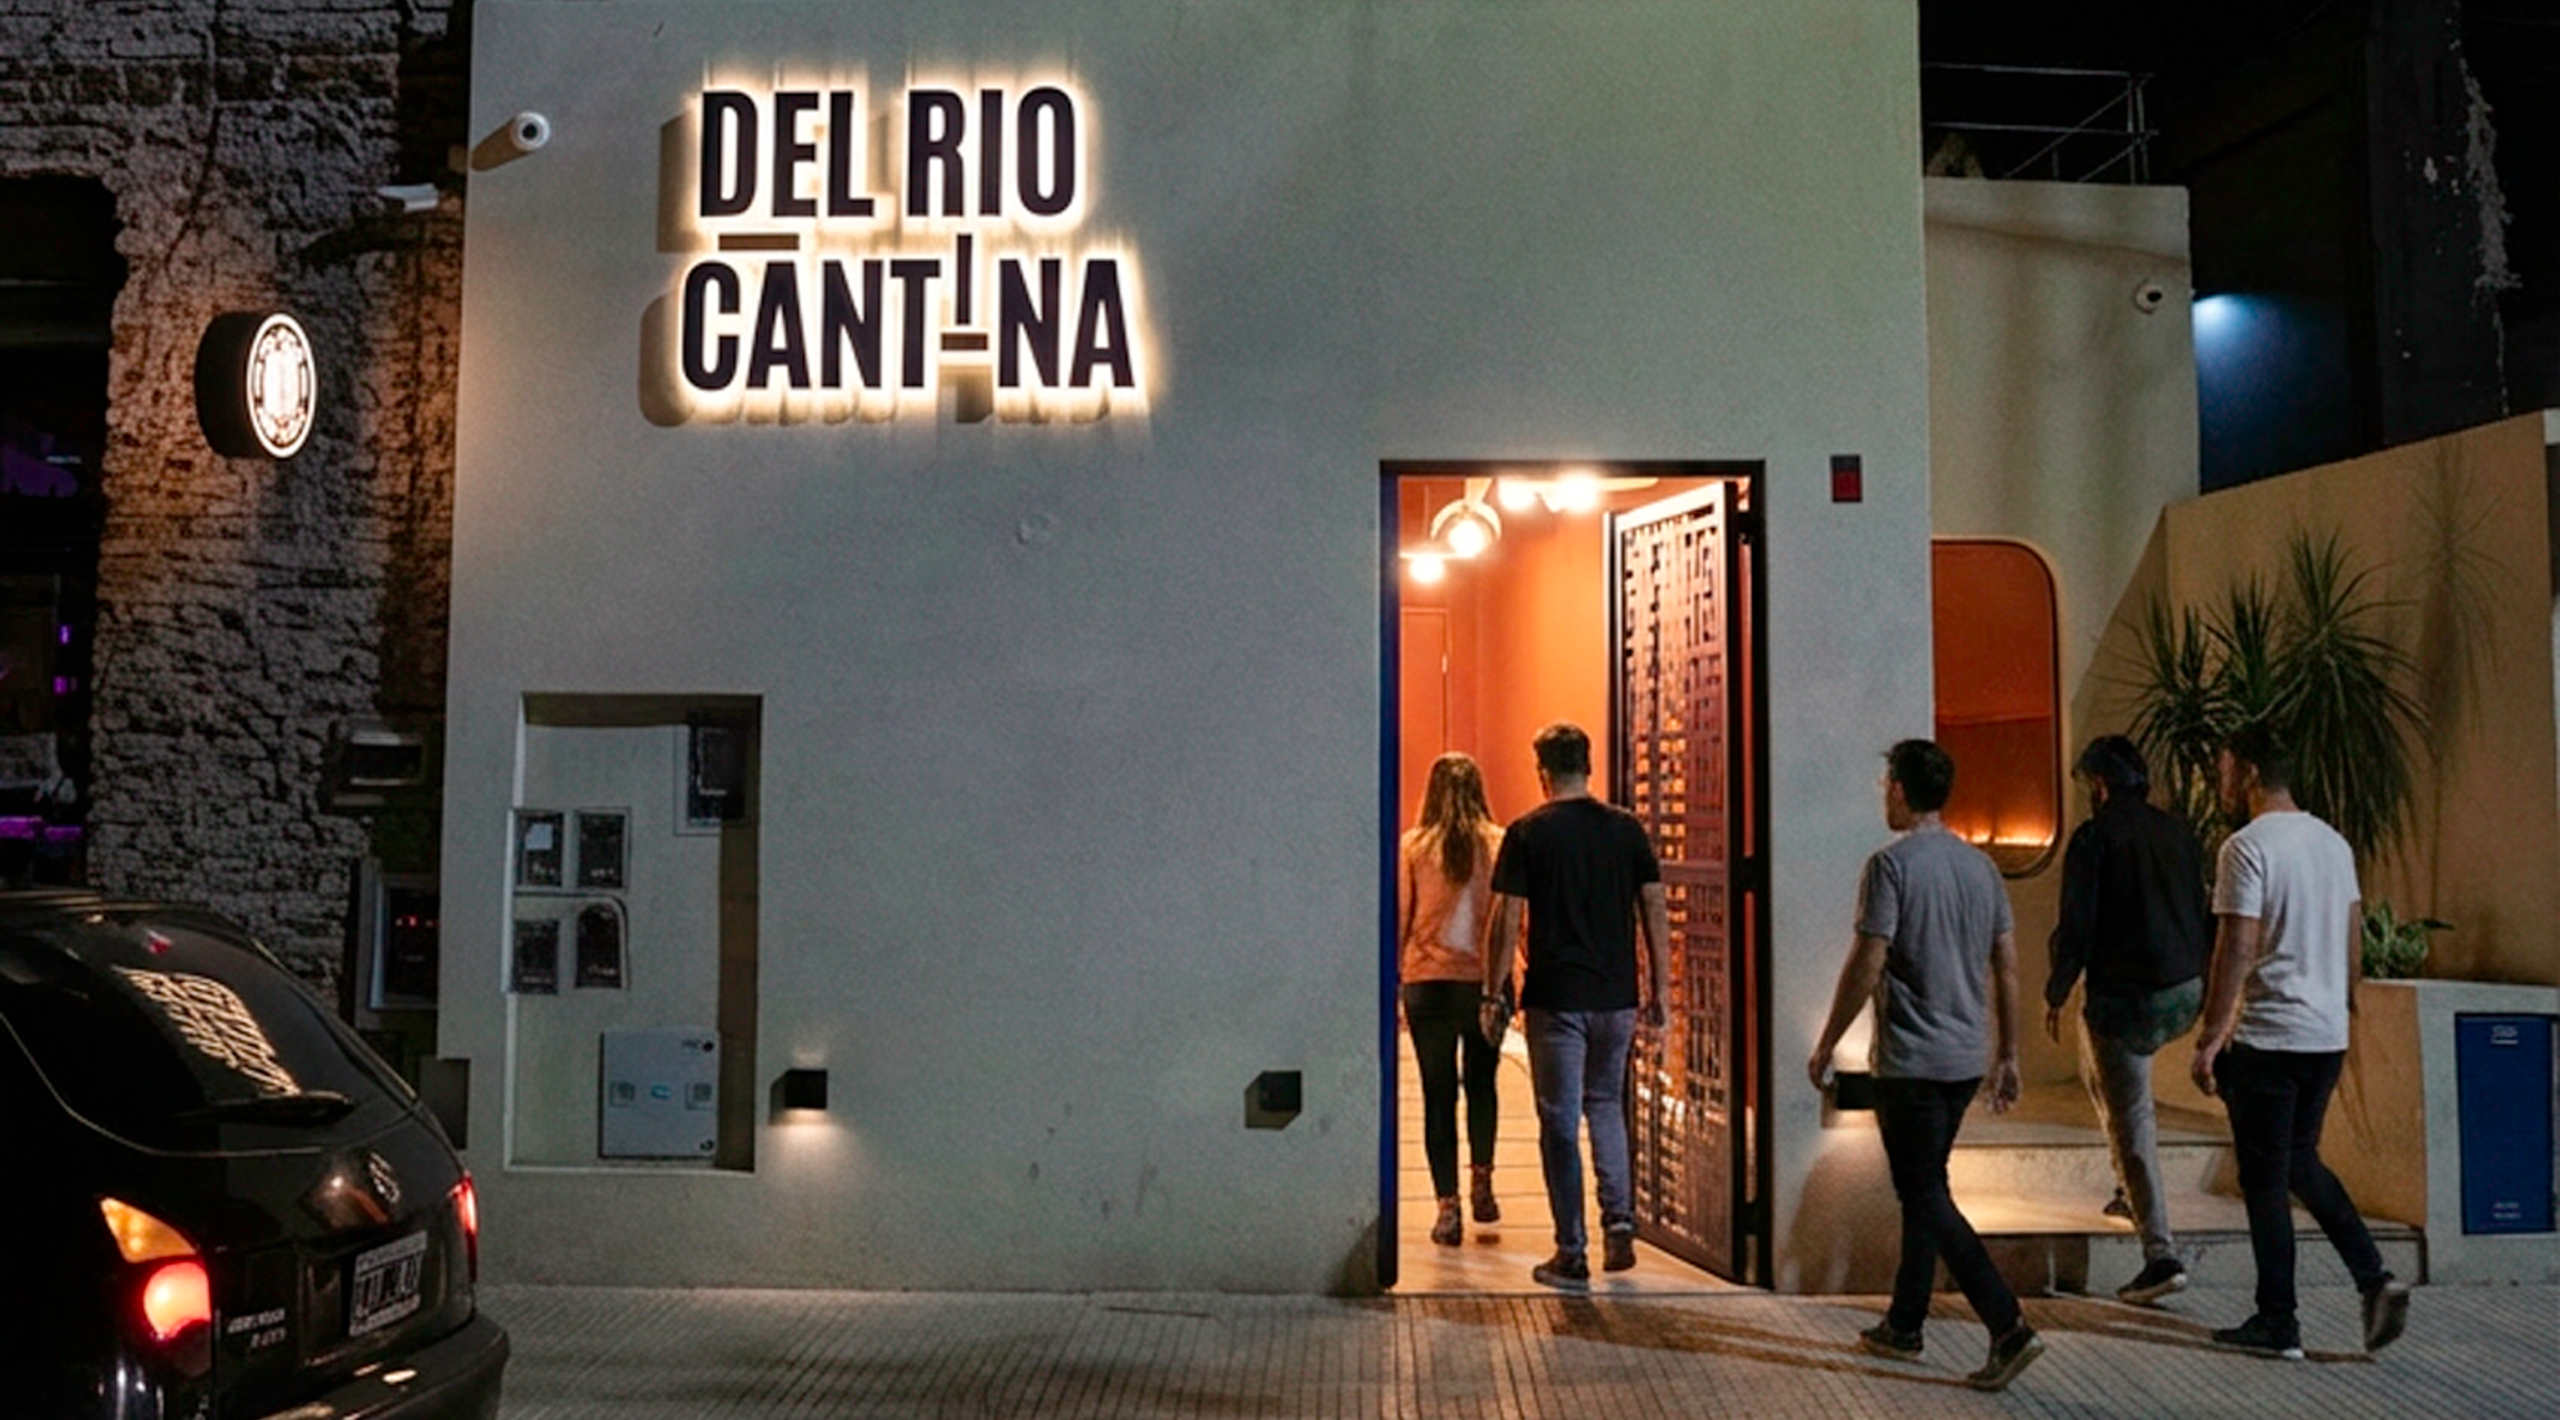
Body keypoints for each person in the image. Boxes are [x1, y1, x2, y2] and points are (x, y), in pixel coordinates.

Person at [1809, 739, 2044, 1393]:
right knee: (1927, 1186)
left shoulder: (1890, 867)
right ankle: (1905, 1323)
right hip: (1965, 1059)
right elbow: (2007, 966)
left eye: (1886, 783)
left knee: (1925, 1194)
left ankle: (2007, 1326)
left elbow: (1868, 961)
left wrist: (1828, 1041)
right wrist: (2009, 1055)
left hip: (1912, 1061)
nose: (1883, 794)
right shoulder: (1981, 869)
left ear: (1901, 791)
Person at [2190, 722, 2410, 1359]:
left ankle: (2277, 1321)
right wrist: (2342, 1010)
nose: (2222, 782)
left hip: (2271, 1036)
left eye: (2227, 770)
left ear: (2252, 774)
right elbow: (2352, 943)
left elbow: (2238, 947)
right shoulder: (2333, 844)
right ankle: (2375, 1278)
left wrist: (2210, 1037)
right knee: (2299, 1162)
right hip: (2324, 1035)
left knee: (2265, 1181)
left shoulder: (2247, 847)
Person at [1480, 722, 1670, 1291]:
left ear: (1542, 772)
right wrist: (1660, 988)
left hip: (1558, 997)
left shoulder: (1528, 834)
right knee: (1605, 1104)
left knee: (1559, 1119)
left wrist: (1493, 991)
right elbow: (1654, 909)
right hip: (1617, 998)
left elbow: (1506, 918)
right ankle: (1619, 1220)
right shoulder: (1627, 831)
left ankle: (1571, 1249)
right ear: (1588, 766)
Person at [2043, 735, 2208, 1305]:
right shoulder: (2178, 832)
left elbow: (2078, 926)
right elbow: (2199, 909)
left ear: (2099, 784)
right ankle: (2127, 1189)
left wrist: (2058, 987)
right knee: (2104, 1077)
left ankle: (2159, 1253)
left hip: (2128, 999)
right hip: (2184, 992)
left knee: (2130, 1115)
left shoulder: (2095, 838)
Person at [1398, 751, 1508, 1245]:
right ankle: (1482, 1179)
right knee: (1482, 1085)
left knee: (1438, 1094)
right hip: (1485, 983)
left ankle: (1448, 1208)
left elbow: (1402, 915)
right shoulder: (1500, 843)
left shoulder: (1415, 848)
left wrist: (1395, 981)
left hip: (1429, 983)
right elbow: (1511, 919)